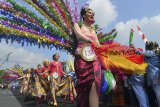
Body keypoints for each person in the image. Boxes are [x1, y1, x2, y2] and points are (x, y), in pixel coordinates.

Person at [73, 6, 102, 107]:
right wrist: (91, 41)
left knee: (96, 80)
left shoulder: (93, 29)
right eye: (90, 12)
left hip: (94, 58)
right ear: (83, 14)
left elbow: (98, 43)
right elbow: (79, 36)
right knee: (84, 85)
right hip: (81, 57)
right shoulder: (78, 25)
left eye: (93, 13)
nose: (92, 14)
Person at [145, 41, 160, 107]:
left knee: (158, 92)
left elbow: (143, 53)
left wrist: (134, 48)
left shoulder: (151, 52)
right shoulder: (157, 52)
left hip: (154, 75)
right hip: (156, 74)